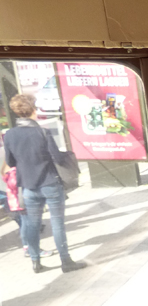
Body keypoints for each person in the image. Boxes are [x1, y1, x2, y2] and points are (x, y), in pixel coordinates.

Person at [2, 94, 85, 273]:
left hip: (28, 187)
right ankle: (66, 261)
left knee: (32, 224)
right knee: (57, 223)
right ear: (33, 109)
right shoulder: (42, 132)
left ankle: (36, 262)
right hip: (50, 183)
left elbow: (11, 161)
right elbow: (57, 158)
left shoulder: (9, 135)